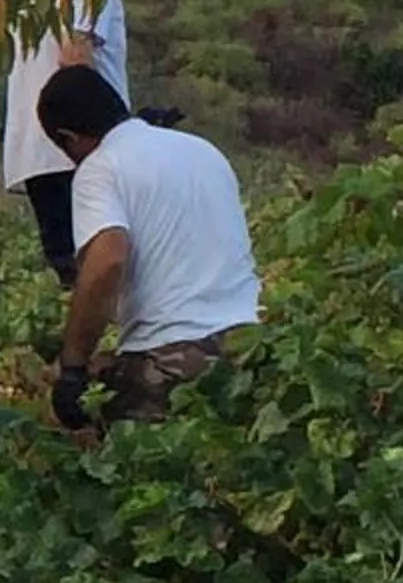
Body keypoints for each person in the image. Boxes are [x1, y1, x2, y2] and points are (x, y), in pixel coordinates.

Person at [36, 65, 259, 428]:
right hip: (249, 347)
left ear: (69, 137)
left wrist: (72, 368)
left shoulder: (100, 168)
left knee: (73, 417)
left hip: (176, 360)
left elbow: (108, 261)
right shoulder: (203, 150)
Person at [5, 0, 171, 286]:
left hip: (42, 151)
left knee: (72, 271)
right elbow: (75, 55)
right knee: (103, 271)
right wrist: (120, 132)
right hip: (80, 151)